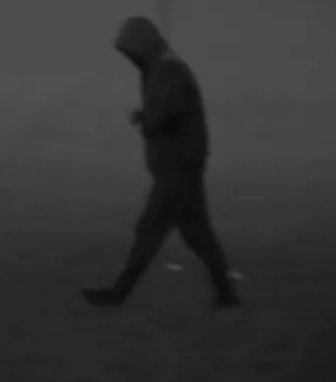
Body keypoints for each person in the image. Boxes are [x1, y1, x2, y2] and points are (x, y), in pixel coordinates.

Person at [82, 16, 242, 309]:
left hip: (177, 171)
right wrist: (148, 115)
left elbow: (164, 116)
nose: (130, 58)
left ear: (142, 46)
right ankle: (227, 295)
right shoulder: (166, 68)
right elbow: (166, 109)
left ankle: (119, 294)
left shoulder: (168, 70)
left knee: (150, 231)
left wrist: (145, 120)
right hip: (182, 168)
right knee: (199, 237)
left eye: (131, 51)